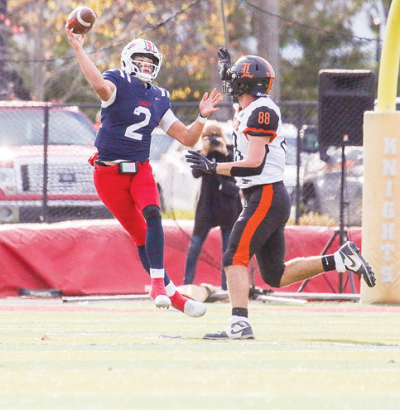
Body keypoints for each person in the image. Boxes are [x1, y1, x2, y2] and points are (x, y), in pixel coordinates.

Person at [186, 48, 376, 339]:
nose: (230, 82)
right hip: (263, 197)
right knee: (275, 274)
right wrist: (229, 70)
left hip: (265, 195)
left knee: (233, 256)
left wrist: (214, 166)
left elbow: (254, 164)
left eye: (235, 78)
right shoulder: (249, 107)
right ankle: (339, 260)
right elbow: (241, 101)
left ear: (247, 84)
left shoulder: (261, 110)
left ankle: (239, 323)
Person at [65, 26, 222, 318]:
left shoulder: (160, 96)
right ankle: (172, 295)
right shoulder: (117, 80)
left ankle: (157, 286)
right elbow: (99, 86)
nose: (146, 65)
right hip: (108, 174)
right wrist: (78, 48)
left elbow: (187, 138)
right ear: (128, 59)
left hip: (140, 169)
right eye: (141, 59)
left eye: (151, 61)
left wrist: (201, 117)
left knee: (153, 214)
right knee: (140, 235)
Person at [184, 120, 242, 290]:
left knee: (228, 249)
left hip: (228, 206)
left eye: (216, 136)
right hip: (207, 205)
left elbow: (236, 171)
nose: (213, 140)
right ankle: (187, 284)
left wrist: (224, 152)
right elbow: (195, 174)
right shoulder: (202, 153)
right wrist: (204, 152)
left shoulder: (229, 151)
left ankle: (227, 288)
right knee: (194, 246)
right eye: (209, 137)